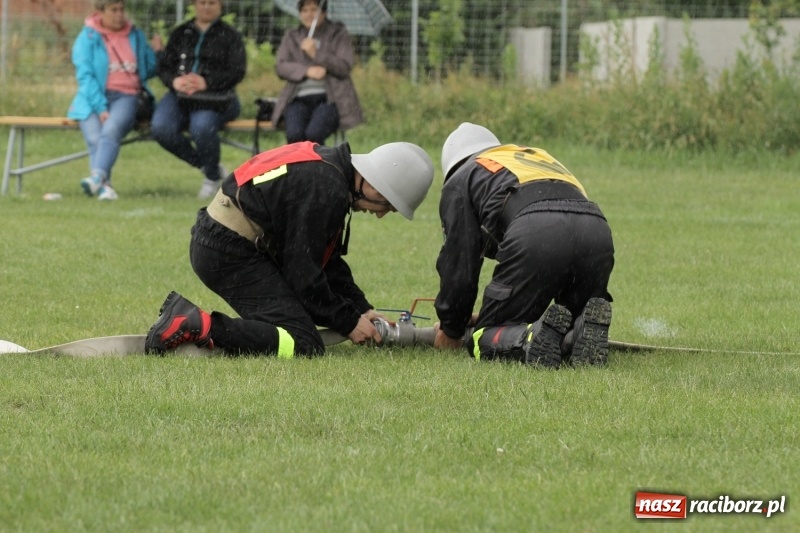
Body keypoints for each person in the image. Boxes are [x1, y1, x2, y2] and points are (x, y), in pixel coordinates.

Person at [145, 140, 434, 357]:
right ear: (374, 186)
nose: (381, 214)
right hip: (227, 252)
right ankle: (196, 323)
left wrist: (362, 309)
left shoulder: (330, 170)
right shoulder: (326, 189)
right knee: (302, 341)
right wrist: (348, 322)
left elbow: (326, 260)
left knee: (298, 319)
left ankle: (201, 324)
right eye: (386, 205)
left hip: (223, 243)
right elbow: (304, 276)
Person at [432, 123, 615, 368]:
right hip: (596, 231)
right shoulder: (533, 157)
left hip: (538, 230)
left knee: (484, 337)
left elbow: (460, 262)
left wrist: (452, 328)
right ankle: (581, 332)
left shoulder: (462, 176)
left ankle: (528, 337)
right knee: (570, 320)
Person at [150, 0, 246, 199]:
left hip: (215, 98)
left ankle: (212, 179)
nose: (207, 7)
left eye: (212, 2)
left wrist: (206, 82)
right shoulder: (181, 33)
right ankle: (207, 166)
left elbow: (237, 71)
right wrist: (175, 81)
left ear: (220, 5)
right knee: (161, 128)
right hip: (180, 96)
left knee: (202, 127)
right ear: (194, 5)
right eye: (202, 2)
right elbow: (165, 66)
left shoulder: (230, 35)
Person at [67, 0, 160, 201]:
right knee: (94, 137)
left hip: (126, 96)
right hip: (91, 99)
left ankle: (97, 177)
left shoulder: (135, 35)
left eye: (121, 9)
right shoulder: (87, 37)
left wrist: (156, 52)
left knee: (110, 130)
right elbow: (85, 76)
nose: (119, 14)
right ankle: (104, 187)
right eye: (113, 10)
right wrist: (100, 106)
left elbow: (149, 69)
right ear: (100, 12)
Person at [271, 0, 364, 145]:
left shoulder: (338, 34)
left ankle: (318, 167)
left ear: (324, 12)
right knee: (294, 134)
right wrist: (307, 71)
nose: (309, 15)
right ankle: (298, 167)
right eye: (305, 10)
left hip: (330, 100)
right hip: (298, 99)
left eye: (314, 9)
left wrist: (316, 54)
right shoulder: (292, 36)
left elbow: (344, 66)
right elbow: (281, 67)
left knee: (314, 134)